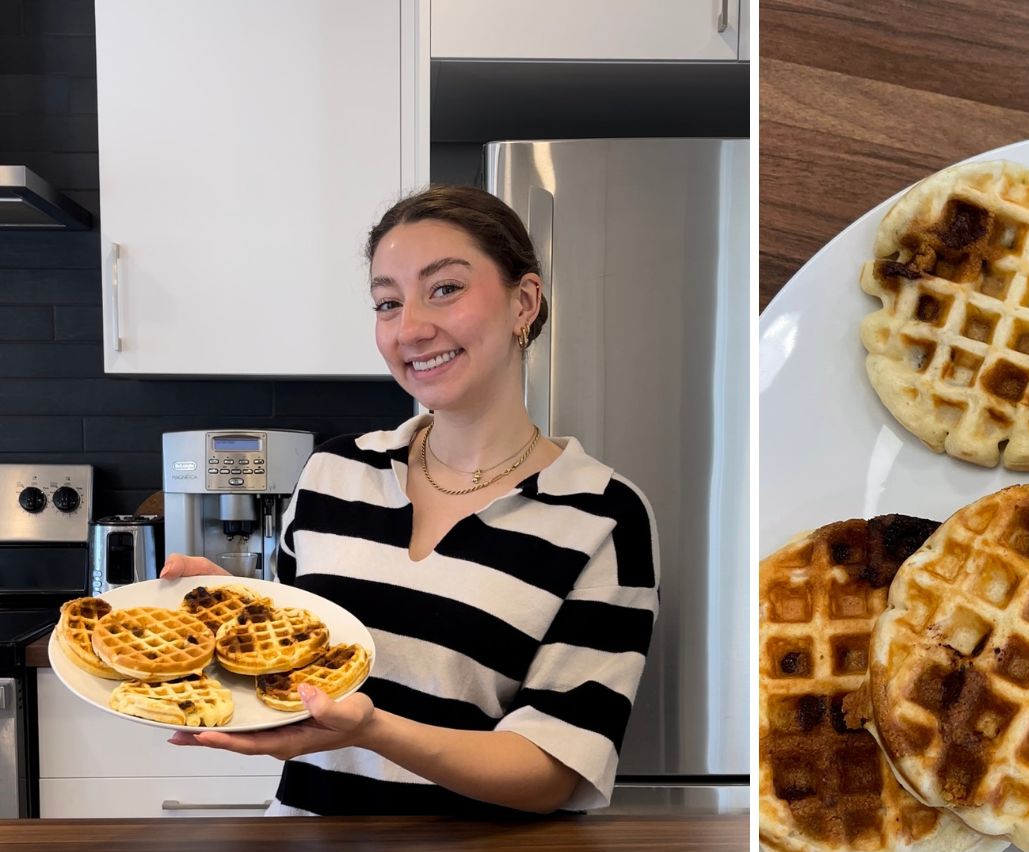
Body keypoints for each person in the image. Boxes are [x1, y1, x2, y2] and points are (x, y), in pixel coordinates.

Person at [161, 185, 659, 818]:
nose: (412, 329)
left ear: (523, 302)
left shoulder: (601, 514)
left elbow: (556, 769)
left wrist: (375, 731)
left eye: (444, 289)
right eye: (387, 303)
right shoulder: (335, 471)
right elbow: (284, 677)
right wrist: (226, 616)